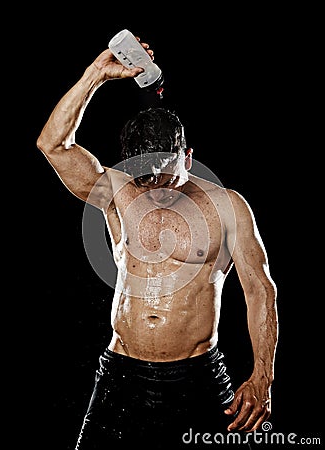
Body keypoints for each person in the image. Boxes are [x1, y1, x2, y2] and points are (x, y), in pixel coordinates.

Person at [36, 34, 278, 449]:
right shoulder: (115, 188)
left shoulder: (227, 206)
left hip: (198, 375)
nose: (156, 190)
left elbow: (259, 289)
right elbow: (53, 144)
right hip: (121, 373)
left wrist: (262, 377)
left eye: (166, 178)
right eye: (145, 180)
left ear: (186, 157)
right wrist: (96, 74)